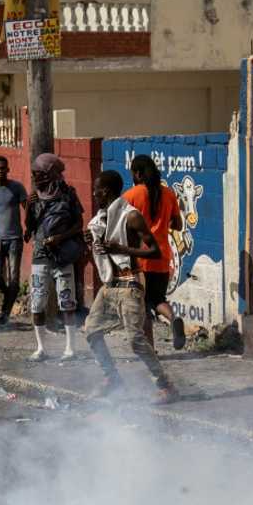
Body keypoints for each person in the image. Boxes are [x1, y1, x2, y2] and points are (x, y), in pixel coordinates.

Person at [85, 170, 180, 404]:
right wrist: (91, 242)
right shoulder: (100, 219)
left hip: (130, 284)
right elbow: (104, 252)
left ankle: (166, 386)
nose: (94, 193)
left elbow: (154, 251)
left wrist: (122, 250)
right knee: (91, 331)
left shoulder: (131, 216)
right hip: (109, 285)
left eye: (97, 189)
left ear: (105, 191)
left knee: (136, 339)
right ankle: (112, 378)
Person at [25, 152, 85, 362]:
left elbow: (79, 224)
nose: (36, 177)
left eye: (39, 173)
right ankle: (41, 348)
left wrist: (60, 237)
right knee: (37, 303)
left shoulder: (68, 194)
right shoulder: (34, 197)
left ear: (51, 173)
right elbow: (29, 230)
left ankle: (70, 348)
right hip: (41, 256)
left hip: (63, 256)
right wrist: (27, 207)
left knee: (67, 302)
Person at [124, 153, 187, 350]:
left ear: (139, 174)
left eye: (133, 173)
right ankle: (173, 318)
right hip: (162, 258)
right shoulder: (168, 193)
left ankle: (150, 350)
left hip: (140, 260)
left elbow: (120, 224)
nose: (132, 177)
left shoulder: (131, 195)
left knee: (142, 308)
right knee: (158, 299)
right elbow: (177, 224)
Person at [0, 155, 28, 324]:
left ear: (8, 169)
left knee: (14, 279)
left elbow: (27, 209)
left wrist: (29, 228)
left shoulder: (17, 187)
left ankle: (5, 313)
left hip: (15, 239)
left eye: (3, 168)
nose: (0, 171)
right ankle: (9, 296)